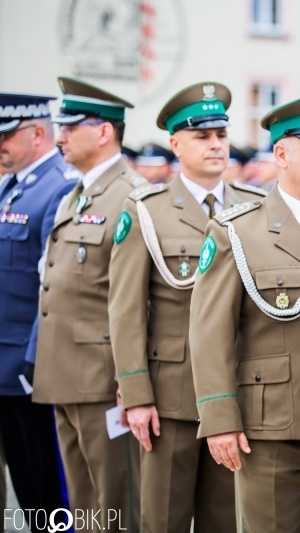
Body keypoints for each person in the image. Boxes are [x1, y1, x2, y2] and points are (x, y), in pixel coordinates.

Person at [189, 92, 300, 532]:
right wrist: (219, 419)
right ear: (282, 155)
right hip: (271, 430)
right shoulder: (237, 230)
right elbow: (210, 333)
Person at [109, 82, 266, 532]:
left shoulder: (254, 208)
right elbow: (126, 308)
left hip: (237, 395)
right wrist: (136, 395)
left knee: (225, 520)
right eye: (202, 136)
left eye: (221, 135)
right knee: (164, 518)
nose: (216, 145)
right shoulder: (147, 210)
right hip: (171, 397)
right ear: (176, 144)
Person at [30, 77, 144, 530]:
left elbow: (138, 299)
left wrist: (131, 381)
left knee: (115, 504)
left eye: (70, 126)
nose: (59, 136)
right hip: (64, 374)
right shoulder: (76, 195)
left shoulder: (131, 195)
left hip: (103, 381)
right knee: (84, 505)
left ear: (103, 132)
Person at [0, 93, 76, 531]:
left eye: (6, 136)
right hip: (6, 369)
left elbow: (53, 286)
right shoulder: (12, 187)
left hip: (32, 371)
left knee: (51, 494)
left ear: (36, 134)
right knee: (26, 490)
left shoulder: (59, 187)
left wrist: (35, 364)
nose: (0, 146)